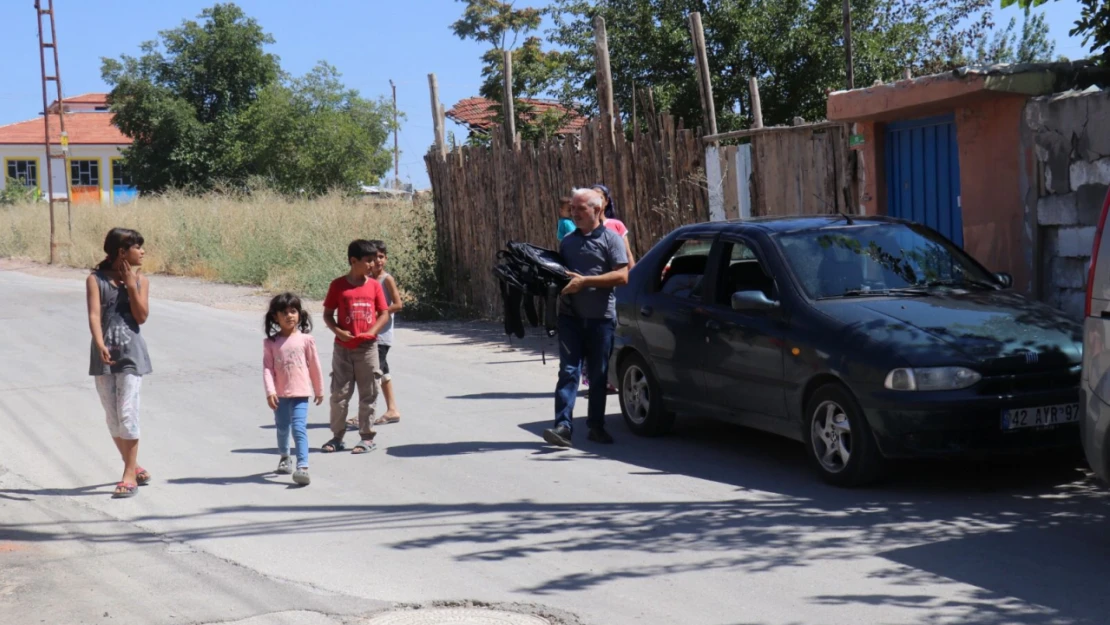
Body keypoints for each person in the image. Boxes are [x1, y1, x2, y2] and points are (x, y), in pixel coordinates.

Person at [542, 188, 629, 448]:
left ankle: (596, 427)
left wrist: (585, 282)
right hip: (570, 317)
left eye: (581, 209)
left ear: (597, 210)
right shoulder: (568, 241)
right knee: (568, 371)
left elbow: (622, 276)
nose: (575, 214)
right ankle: (563, 427)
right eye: (573, 209)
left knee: (599, 374)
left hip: (600, 319)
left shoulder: (612, 240)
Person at [85, 228, 152, 499]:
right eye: (137, 247)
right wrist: (99, 343)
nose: (143, 251)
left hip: (131, 357)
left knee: (127, 415)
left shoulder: (141, 280)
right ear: (121, 252)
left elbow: (142, 316)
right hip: (103, 357)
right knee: (112, 418)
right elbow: (93, 314)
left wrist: (130, 284)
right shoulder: (95, 279)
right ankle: (134, 465)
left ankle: (128, 475)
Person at [321, 239, 391, 455]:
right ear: (354, 261)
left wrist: (372, 332)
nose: (373, 264)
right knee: (339, 395)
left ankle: (367, 437)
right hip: (343, 349)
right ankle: (337, 436)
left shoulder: (374, 286)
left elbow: (384, 314)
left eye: (374, 260)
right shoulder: (338, 286)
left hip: (368, 349)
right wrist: (338, 331)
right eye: (368, 260)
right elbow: (327, 314)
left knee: (368, 392)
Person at [263, 292, 324, 486]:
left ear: (299, 314)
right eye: (284, 312)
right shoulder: (271, 343)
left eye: (293, 311)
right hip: (280, 394)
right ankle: (284, 456)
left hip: (301, 393)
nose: (290, 315)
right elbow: (267, 369)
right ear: (275, 317)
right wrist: (270, 391)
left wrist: (319, 389)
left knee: (299, 428)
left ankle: (303, 467)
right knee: (282, 428)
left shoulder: (306, 340)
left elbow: (314, 365)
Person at [371, 240, 403, 425]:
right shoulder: (367, 279)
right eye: (374, 257)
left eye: (381, 257)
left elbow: (398, 304)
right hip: (370, 333)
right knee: (383, 372)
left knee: (372, 373)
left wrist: (381, 312)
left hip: (382, 335)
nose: (378, 261)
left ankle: (364, 413)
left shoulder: (386, 279)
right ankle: (392, 410)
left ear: (386, 258)